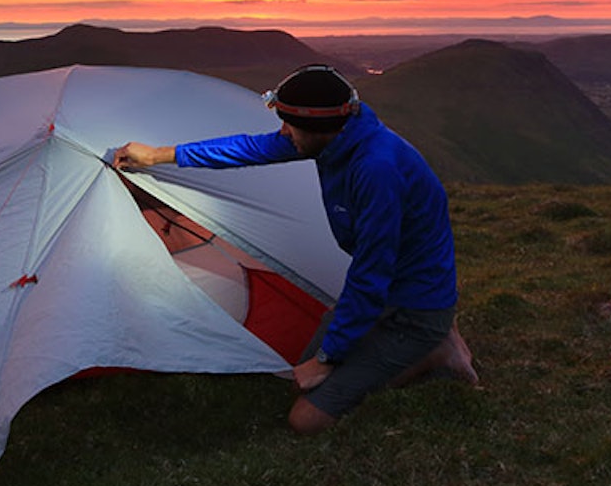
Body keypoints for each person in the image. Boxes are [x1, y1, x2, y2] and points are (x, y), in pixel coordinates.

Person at [115, 64, 477, 434]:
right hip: (392, 293)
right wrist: (159, 155)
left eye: (290, 124)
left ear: (321, 127)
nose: (284, 132)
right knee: (302, 377)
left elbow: (371, 276)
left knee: (306, 419)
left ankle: (435, 350)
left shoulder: (376, 169)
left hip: (413, 305)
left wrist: (327, 357)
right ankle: (420, 338)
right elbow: (249, 149)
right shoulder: (340, 137)